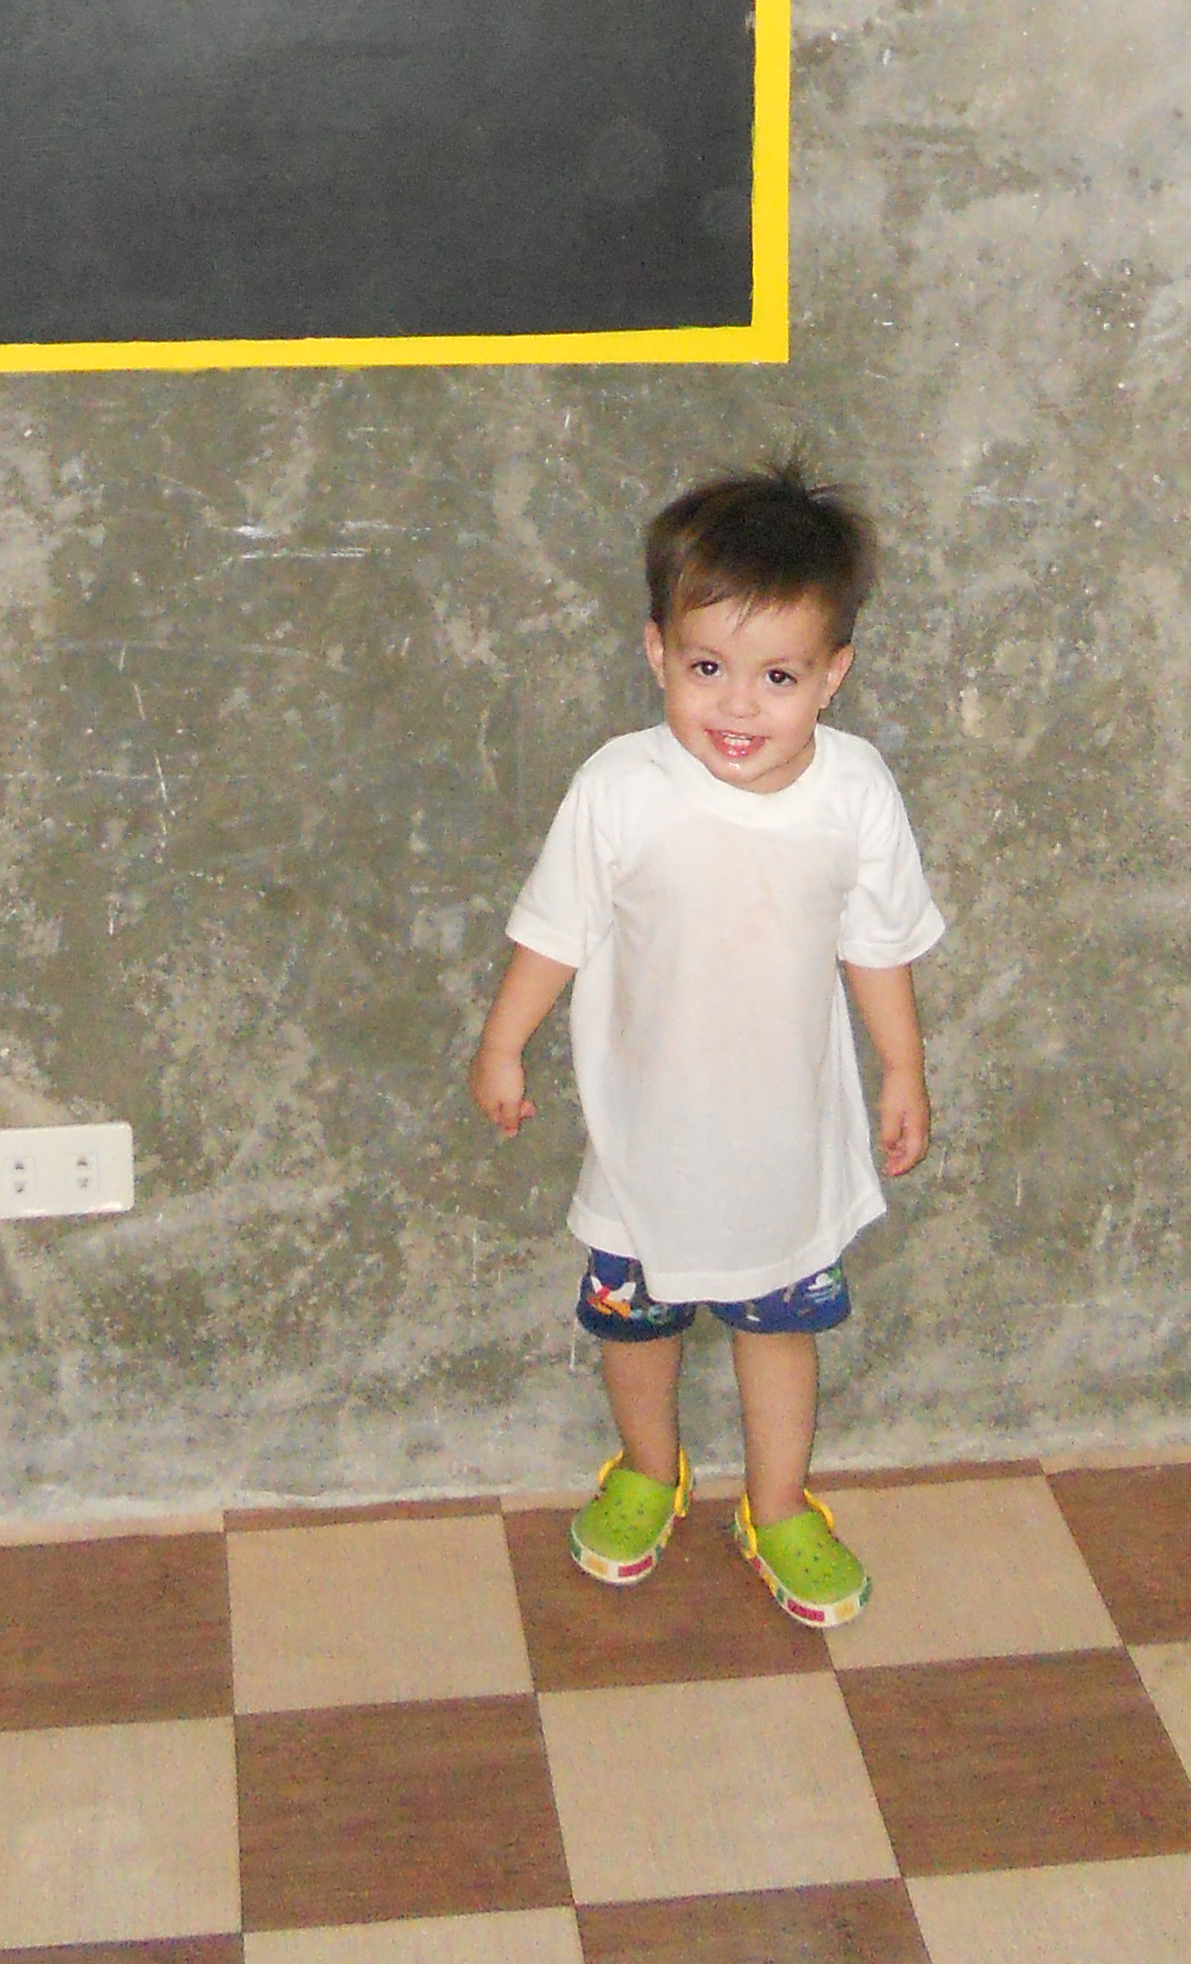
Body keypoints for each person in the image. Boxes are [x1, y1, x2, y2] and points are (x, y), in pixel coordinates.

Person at [467, 459, 944, 1629]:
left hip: (788, 1145)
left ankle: (778, 1504)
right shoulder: (619, 789)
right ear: (657, 655)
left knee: (777, 1332)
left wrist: (904, 1068)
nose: (738, 706)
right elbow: (554, 929)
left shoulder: (856, 794)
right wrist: (503, 1044)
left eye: (777, 676)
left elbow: (876, 943)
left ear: (832, 674)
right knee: (633, 1320)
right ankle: (646, 1467)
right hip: (646, 1142)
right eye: (707, 669)